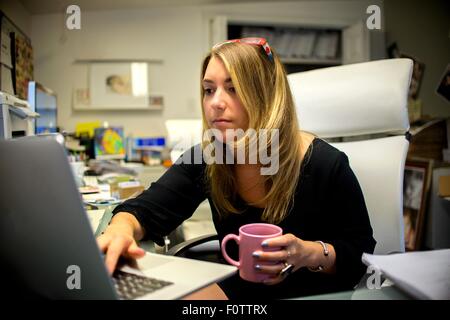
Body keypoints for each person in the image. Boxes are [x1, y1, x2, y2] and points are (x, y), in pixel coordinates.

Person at [97, 37, 376, 299]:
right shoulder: (209, 158)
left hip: (312, 293)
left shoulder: (326, 164)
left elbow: (360, 255)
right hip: (239, 292)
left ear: (266, 96)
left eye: (233, 88)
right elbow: (146, 209)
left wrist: (309, 253)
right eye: (209, 90)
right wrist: (121, 229)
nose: (216, 102)